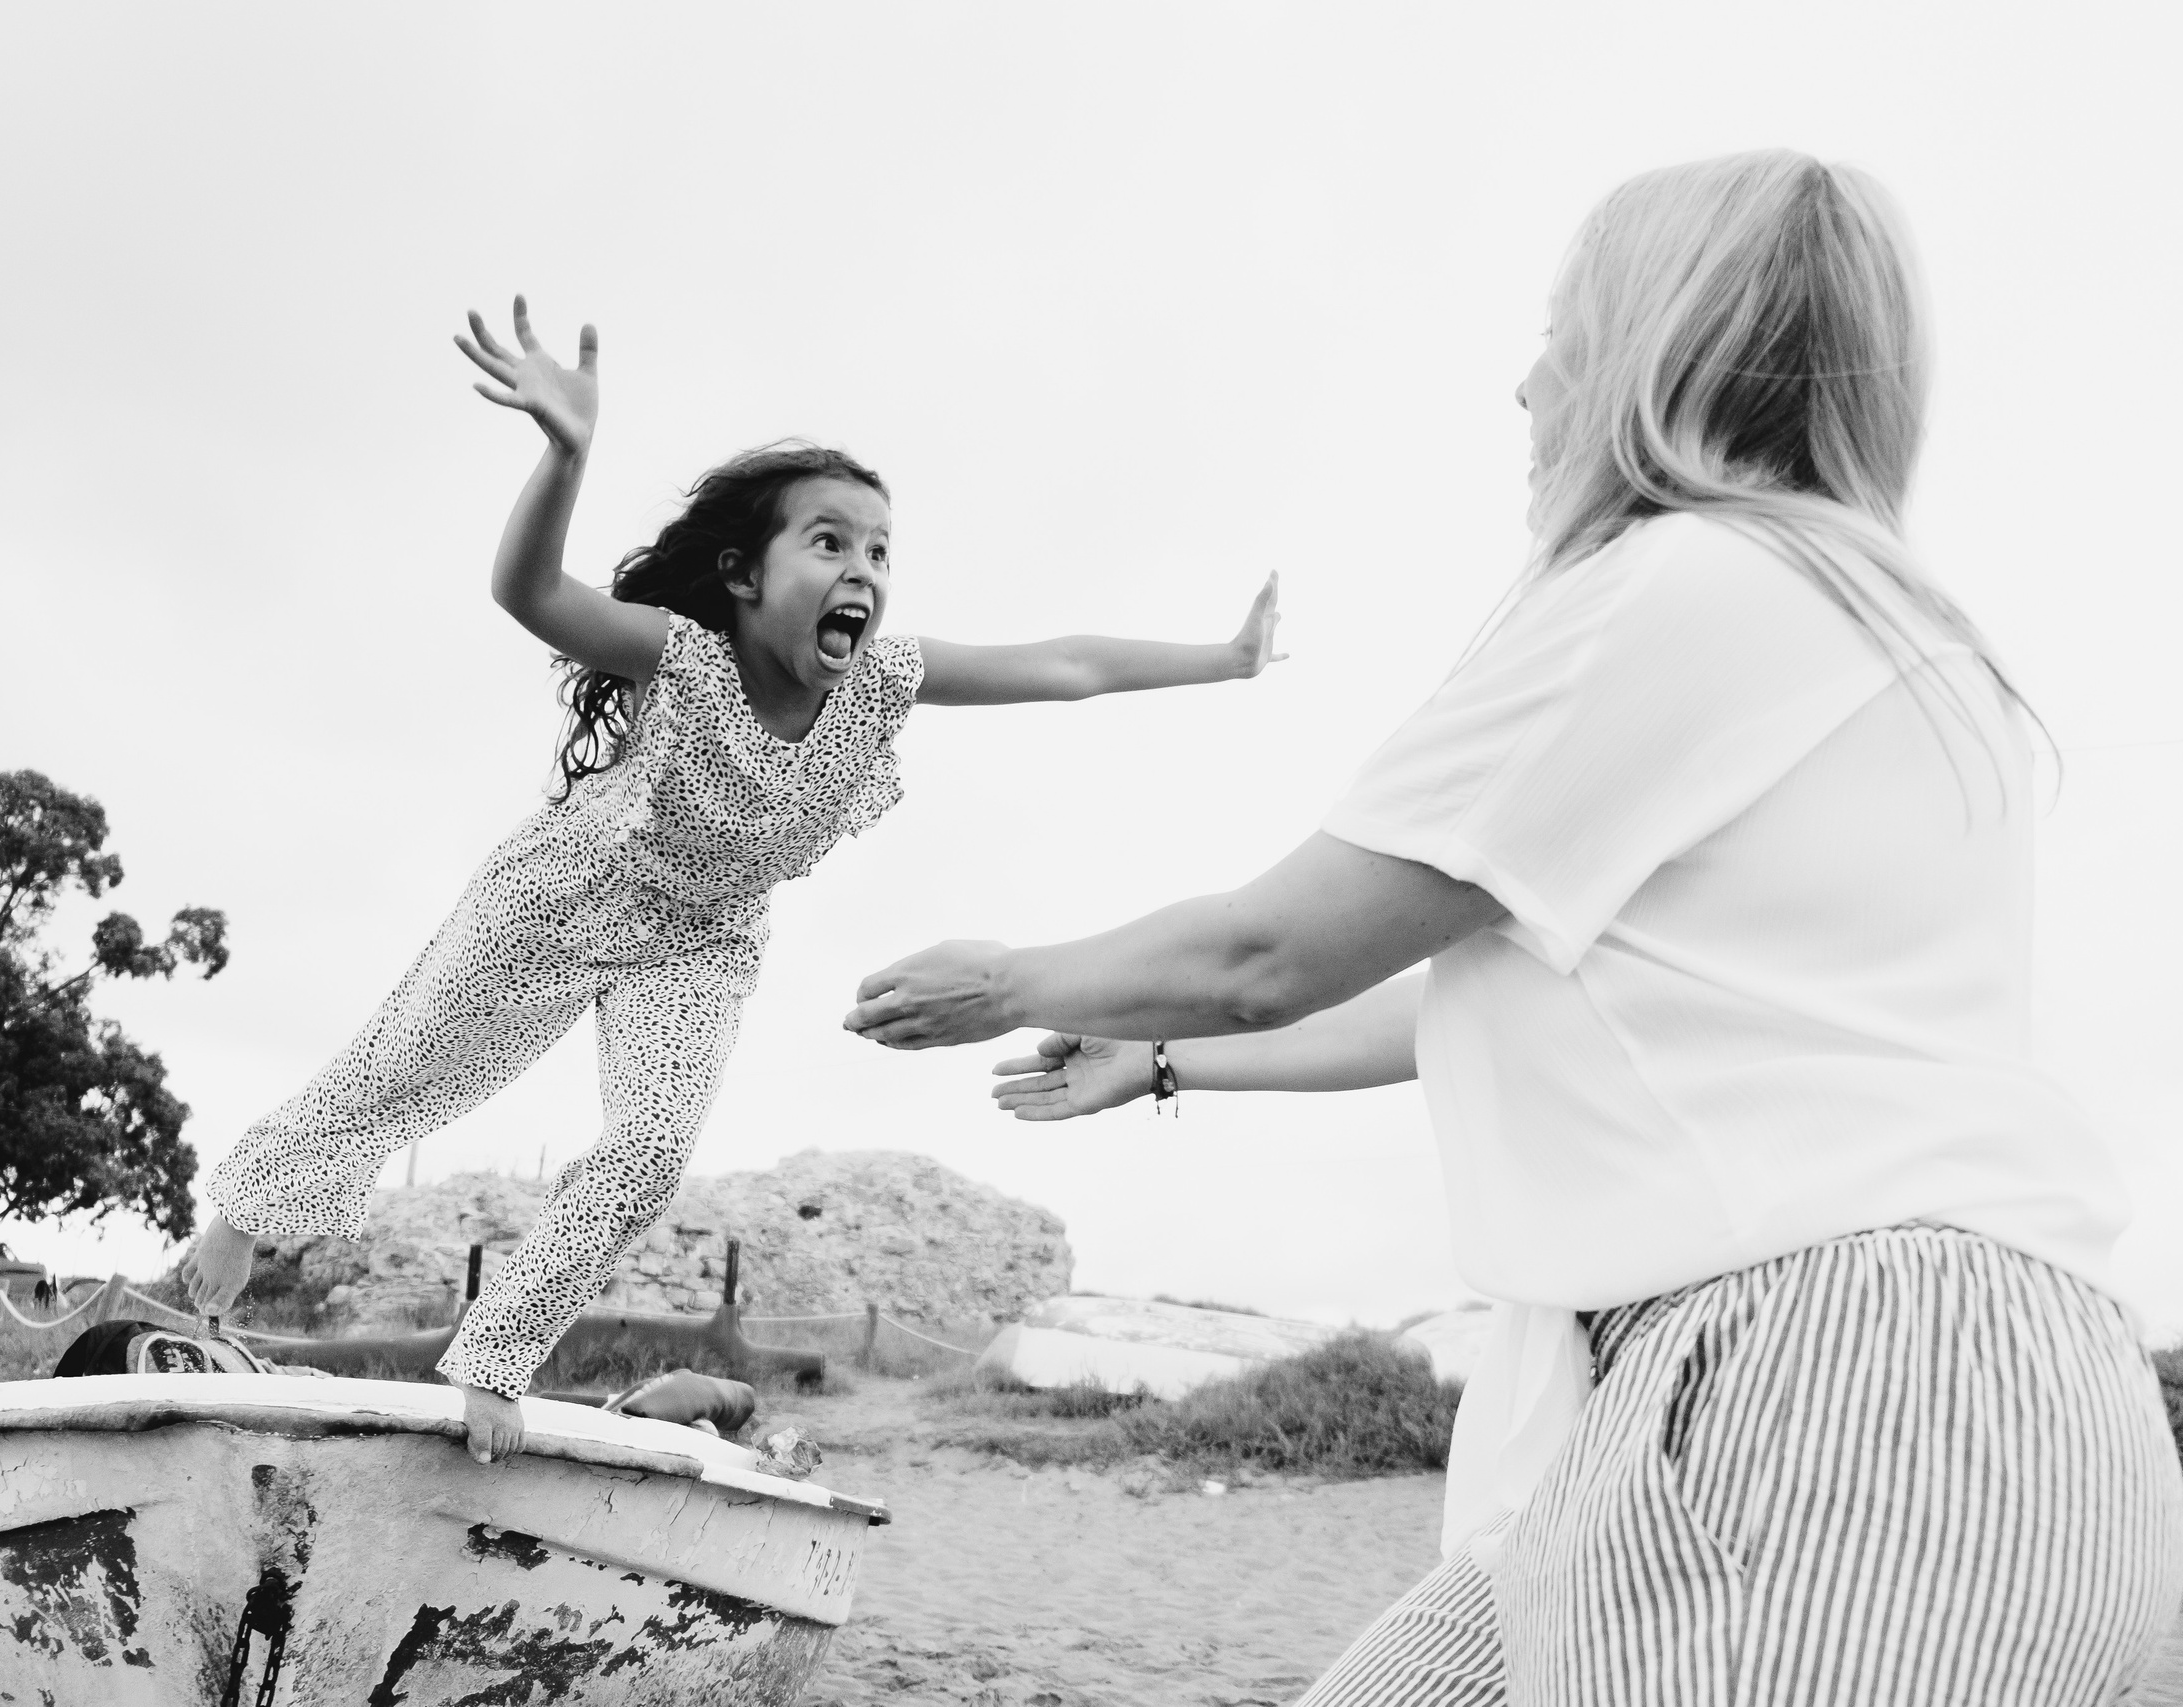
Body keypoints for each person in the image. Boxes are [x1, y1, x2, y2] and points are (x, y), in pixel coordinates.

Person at [844, 152, 2183, 1703]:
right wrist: (1160, 1057)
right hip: (1900, 1395)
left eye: (1564, 328)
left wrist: (1013, 973)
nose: (1527, 382)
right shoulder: (1886, 640)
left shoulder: (1694, 582)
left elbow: (1270, 952)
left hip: (1832, 1400)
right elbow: (1493, 997)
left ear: (1653, 347)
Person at [184, 298, 1285, 1465]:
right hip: (568, 894)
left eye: (878, 550)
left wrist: (1226, 659)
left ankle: (494, 1361)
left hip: (701, 939)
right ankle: (247, 1214)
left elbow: (1065, 665)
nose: (862, 567)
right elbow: (530, 595)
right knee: (404, 1067)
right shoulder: (686, 654)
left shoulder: (880, 682)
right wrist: (566, 454)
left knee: (652, 1149)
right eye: (828, 541)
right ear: (743, 577)